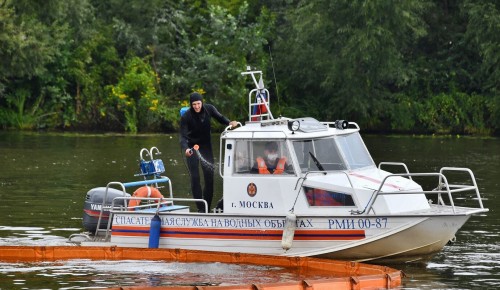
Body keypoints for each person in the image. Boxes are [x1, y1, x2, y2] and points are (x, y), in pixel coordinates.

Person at [180, 92, 237, 212]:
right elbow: (183, 137)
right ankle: (201, 209)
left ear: (202, 102)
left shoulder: (209, 109)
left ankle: (207, 207)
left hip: (206, 147)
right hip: (192, 148)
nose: (196, 106)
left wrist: (229, 122)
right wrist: (185, 149)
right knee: (195, 178)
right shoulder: (186, 116)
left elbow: (220, 117)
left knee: (209, 179)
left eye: (198, 103)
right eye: (194, 104)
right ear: (191, 104)